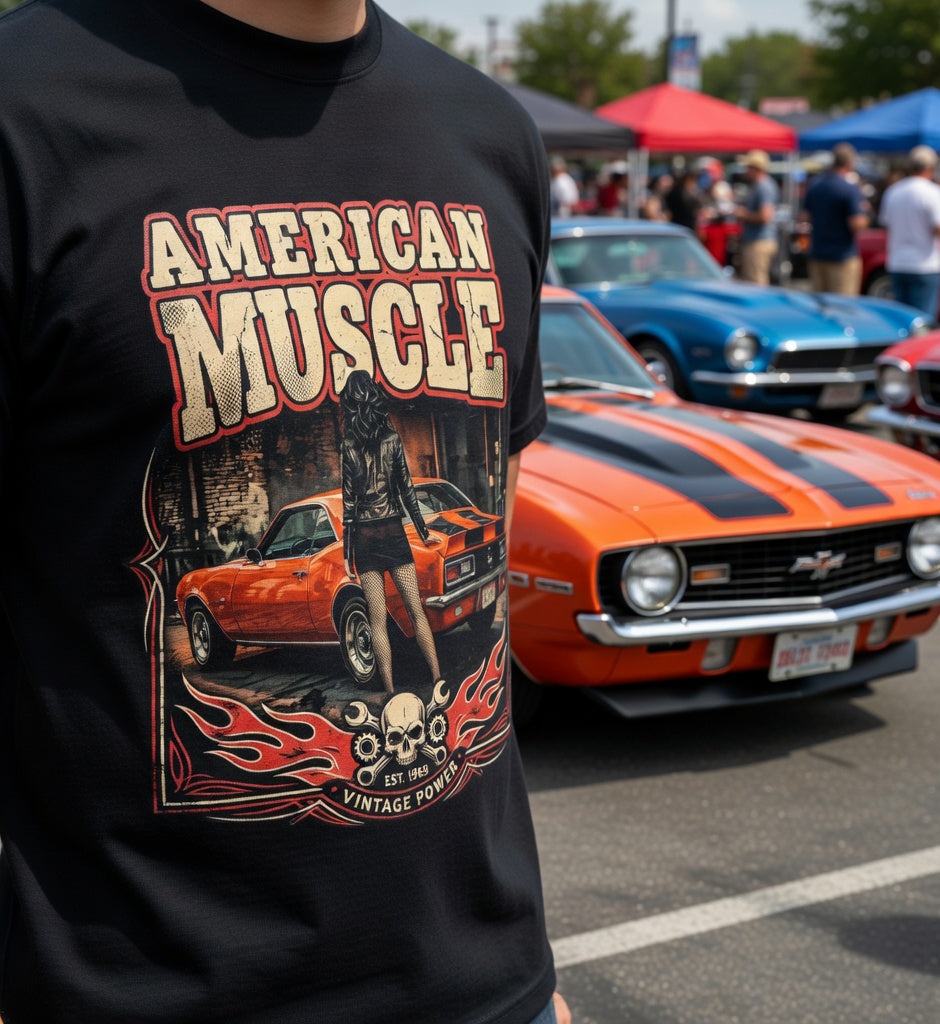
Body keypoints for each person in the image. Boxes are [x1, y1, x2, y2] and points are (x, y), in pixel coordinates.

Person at [0, 1, 571, 1023]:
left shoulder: (488, 131)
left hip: (489, 991)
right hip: (136, 994)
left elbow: (489, 575)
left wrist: (532, 970)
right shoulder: (27, 108)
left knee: (419, 624)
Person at [340, 370, 443, 696]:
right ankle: (438, 680)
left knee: (377, 621)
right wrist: (422, 529)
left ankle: (389, 691)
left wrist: (347, 554)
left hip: (366, 538)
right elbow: (406, 491)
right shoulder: (392, 439)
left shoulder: (347, 444)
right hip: (393, 532)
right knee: (417, 612)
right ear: (371, 396)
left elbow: (348, 504)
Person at [877, 144, 940, 321]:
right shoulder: (934, 192)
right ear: (930, 168)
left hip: (898, 263)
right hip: (924, 265)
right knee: (923, 322)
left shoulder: (893, 191)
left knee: (902, 320)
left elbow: (885, 224)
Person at [801, 142, 869, 295]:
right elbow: (857, 224)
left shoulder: (815, 185)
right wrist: (866, 213)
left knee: (820, 305)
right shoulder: (849, 188)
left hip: (818, 253)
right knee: (842, 307)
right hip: (841, 256)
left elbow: (805, 217)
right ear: (850, 163)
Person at [736, 148, 779, 284]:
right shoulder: (760, 185)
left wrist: (743, 215)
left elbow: (765, 216)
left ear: (755, 168)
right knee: (753, 280)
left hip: (759, 241)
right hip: (757, 240)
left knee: (756, 282)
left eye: (748, 167)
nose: (746, 170)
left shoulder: (763, 186)